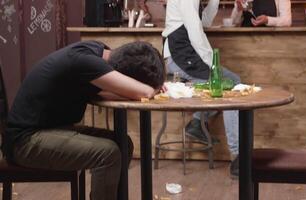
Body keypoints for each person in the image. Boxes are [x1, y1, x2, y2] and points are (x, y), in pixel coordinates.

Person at [1, 40, 165, 200]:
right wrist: (152, 88)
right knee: (107, 153)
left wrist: (147, 87)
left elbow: (111, 92)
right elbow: (142, 93)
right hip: (24, 142)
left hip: (49, 131)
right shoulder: (84, 61)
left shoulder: (96, 50)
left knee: (123, 143)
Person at [162, 0, 241, 178]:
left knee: (234, 81)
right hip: (181, 56)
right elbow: (195, 31)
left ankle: (198, 121)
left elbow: (203, 22)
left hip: (186, 54)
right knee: (232, 89)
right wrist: (212, 65)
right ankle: (237, 158)